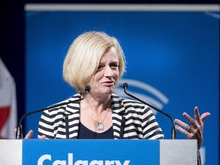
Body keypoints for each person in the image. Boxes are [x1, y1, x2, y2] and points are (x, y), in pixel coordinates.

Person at [26, 31, 210, 148]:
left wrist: (192, 146)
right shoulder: (55, 116)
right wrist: (24, 162)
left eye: (114, 66)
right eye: (99, 66)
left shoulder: (140, 114)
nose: (110, 74)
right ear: (81, 69)